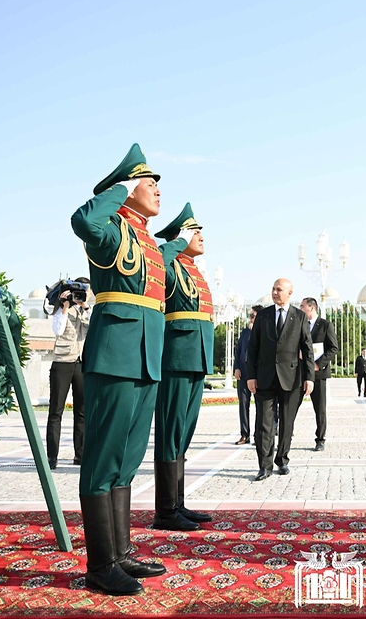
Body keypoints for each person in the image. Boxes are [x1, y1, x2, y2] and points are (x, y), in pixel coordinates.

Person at [70, 144, 171, 595]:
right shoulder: (111, 227)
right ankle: (99, 565)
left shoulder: (147, 238)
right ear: (129, 188)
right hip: (114, 353)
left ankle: (120, 553)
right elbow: (82, 221)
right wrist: (118, 190)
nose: (157, 192)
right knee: (103, 458)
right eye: (150, 184)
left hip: (147, 355)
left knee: (126, 459)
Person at [151, 204, 215, 531]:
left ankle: (177, 503)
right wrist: (175, 242)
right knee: (170, 433)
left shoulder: (193, 268)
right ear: (180, 236)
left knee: (183, 435)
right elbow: (155, 263)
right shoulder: (172, 263)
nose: (200, 237)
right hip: (176, 358)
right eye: (194, 232)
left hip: (196, 358)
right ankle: (164, 511)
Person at [246, 279, 314, 481]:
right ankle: (264, 466)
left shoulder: (299, 317)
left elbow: (307, 349)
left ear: (290, 292)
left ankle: (282, 459)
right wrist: (251, 375)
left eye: (279, 289)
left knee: (287, 423)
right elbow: (253, 348)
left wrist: (309, 377)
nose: (275, 292)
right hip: (264, 378)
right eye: (273, 289)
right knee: (264, 424)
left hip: (291, 378)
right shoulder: (264, 316)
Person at [47, 277, 91, 470]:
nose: (80, 296)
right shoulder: (60, 307)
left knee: (81, 412)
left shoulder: (87, 310)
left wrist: (85, 306)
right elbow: (58, 330)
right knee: (56, 411)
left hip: (81, 363)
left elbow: (93, 327)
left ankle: (80, 455)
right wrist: (65, 306)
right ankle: (52, 457)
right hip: (62, 363)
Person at [299, 297, 339, 451]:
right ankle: (286, 436)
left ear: (311, 307)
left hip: (318, 374)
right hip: (300, 373)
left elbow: (333, 348)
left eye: (302, 306)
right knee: (290, 407)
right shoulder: (299, 325)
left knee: (320, 409)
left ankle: (320, 439)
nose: (300, 309)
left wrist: (318, 364)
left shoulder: (325, 325)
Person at [233, 306, 262, 444]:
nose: (250, 318)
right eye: (250, 315)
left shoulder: (264, 332)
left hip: (258, 374)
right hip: (243, 373)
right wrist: (236, 367)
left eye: (253, 315)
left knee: (260, 405)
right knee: (243, 404)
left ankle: (258, 435)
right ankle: (245, 434)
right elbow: (238, 351)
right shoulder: (245, 332)